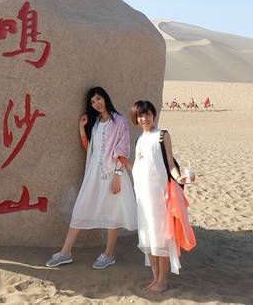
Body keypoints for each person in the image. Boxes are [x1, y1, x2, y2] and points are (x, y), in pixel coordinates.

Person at [46, 87, 137, 269]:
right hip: (94, 174)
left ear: (105, 98)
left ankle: (109, 254)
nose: (96, 104)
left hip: (113, 174)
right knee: (81, 209)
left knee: (113, 214)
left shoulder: (120, 121)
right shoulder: (95, 123)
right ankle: (65, 253)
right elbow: (90, 150)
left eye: (98, 99)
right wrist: (82, 128)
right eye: (93, 102)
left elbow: (123, 150)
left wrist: (118, 175)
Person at [130, 100, 188, 293]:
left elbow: (170, 163)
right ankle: (155, 278)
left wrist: (179, 177)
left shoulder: (162, 136)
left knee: (161, 238)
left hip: (160, 197)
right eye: (140, 115)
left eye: (147, 114)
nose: (144, 118)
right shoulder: (139, 140)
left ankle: (163, 280)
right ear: (136, 118)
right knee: (147, 238)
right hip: (142, 198)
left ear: (153, 115)